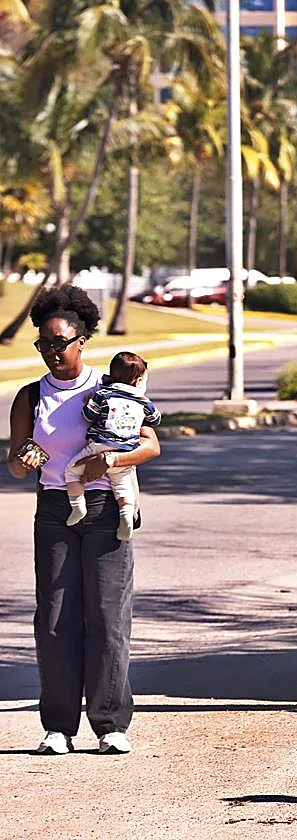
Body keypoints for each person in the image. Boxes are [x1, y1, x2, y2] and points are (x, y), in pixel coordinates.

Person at [6, 286, 161, 755]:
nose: (52, 352)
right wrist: (24, 460)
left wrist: (108, 464)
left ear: (82, 341)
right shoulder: (30, 397)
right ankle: (58, 726)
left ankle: (110, 723)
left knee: (107, 617)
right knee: (54, 619)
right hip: (54, 509)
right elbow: (14, 463)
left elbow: (151, 445)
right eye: (44, 344)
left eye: (60, 342)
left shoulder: (109, 388)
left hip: (105, 511)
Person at [63, 352, 160, 541]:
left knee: (72, 471)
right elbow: (155, 420)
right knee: (122, 485)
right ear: (138, 380)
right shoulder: (142, 401)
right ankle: (126, 514)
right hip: (126, 450)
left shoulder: (103, 394)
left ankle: (77, 506)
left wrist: (88, 402)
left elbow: (87, 416)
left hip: (99, 445)